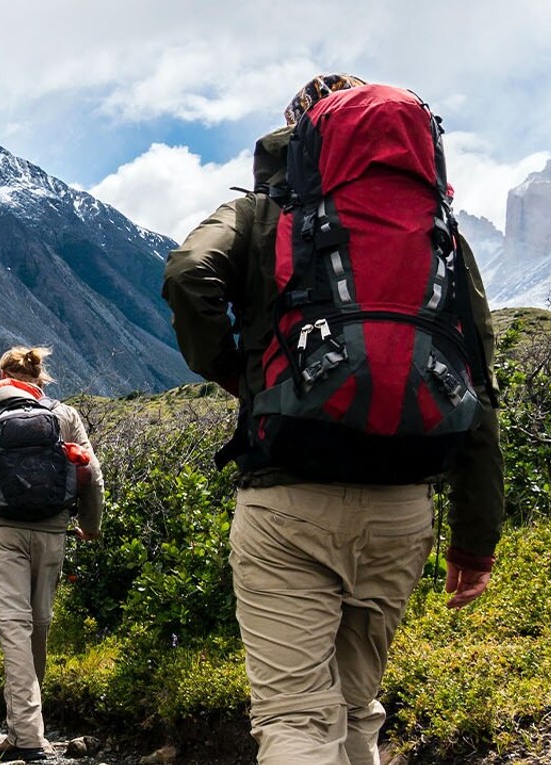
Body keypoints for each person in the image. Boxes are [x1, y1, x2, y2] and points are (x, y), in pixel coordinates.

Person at [161, 74, 504, 765]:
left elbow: (188, 273)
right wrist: (475, 541)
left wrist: (236, 372)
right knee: (355, 707)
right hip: (403, 509)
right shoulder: (439, 231)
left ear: (302, 135)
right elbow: (477, 381)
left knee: (295, 717)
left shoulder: (266, 212)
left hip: (289, 496)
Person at [0, 346, 104, 763]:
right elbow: (93, 476)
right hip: (53, 534)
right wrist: (90, 526)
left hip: (2, 536)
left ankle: (29, 738)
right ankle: (25, 730)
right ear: (40, 378)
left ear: (1, 375)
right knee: (38, 627)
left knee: (13, 629)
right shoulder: (64, 416)